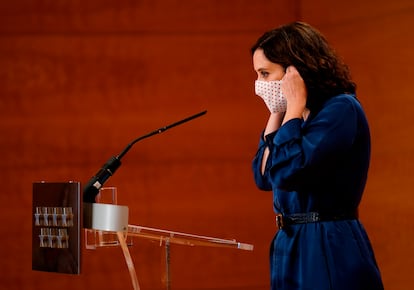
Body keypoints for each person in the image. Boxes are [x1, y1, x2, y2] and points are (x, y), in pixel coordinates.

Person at [251, 22, 384, 290]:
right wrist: (280, 110)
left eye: (265, 74)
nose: (259, 85)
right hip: (290, 241)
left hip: (325, 241)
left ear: (294, 70)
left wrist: (293, 107)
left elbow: (288, 171)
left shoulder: (341, 109)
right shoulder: (294, 115)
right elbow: (264, 175)